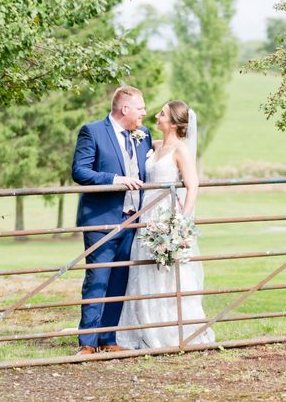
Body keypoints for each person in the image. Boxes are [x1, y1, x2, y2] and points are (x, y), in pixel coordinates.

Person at [116, 100, 215, 349]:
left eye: (162, 114)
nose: (156, 117)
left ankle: (170, 328)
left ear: (172, 122)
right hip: (146, 216)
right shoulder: (156, 145)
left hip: (165, 215)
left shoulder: (180, 150)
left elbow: (193, 185)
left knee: (167, 273)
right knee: (144, 271)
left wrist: (180, 220)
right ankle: (143, 326)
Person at [71, 85, 153, 355]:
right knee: (98, 279)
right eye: (140, 108)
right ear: (125, 109)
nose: (144, 112)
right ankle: (87, 342)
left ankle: (108, 339)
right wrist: (115, 180)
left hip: (133, 221)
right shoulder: (92, 131)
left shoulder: (144, 135)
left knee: (119, 280)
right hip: (102, 220)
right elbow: (80, 171)